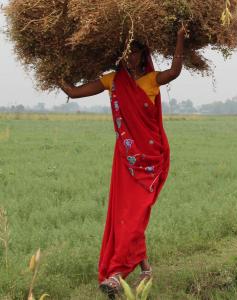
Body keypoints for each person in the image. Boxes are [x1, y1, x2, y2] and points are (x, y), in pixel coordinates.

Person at [60, 25, 187, 298]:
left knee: (136, 213)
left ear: (143, 55)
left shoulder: (152, 79)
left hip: (150, 160)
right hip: (126, 161)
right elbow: (74, 92)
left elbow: (175, 72)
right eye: (127, 53)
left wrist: (179, 39)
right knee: (126, 214)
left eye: (135, 53)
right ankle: (140, 268)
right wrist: (55, 71)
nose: (130, 58)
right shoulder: (112, 80)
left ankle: (116, 273)